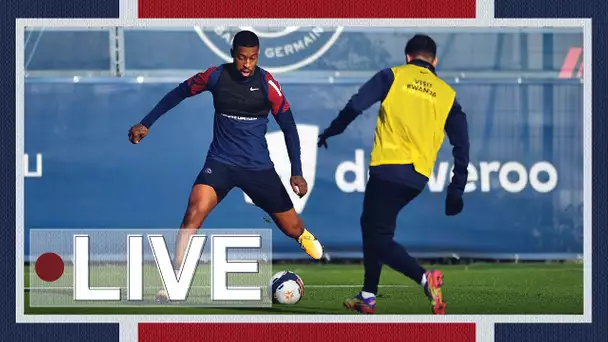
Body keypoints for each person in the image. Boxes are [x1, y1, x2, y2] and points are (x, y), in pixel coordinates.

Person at [128, 30, 324, 301]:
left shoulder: (268, 84)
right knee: (193, 211)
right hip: (220, 162)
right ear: (233, 55)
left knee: (291, 227)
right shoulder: (216, 76)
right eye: (242, 58)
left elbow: (289, 127)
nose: (247, 64)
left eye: (253, 58)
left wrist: (297, 172)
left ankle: (302, 235)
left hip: (258, 168)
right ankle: (175, 281)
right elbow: (179, 93)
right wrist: (146, 122)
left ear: (258, 57)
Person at [317, 34, 470, 315]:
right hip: (417, 177)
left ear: (407, 57)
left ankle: (425, 279)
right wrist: (456, 189)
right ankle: (368, 296)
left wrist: (331, 131)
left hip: (388, 168)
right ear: (434, 61)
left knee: (377, 236)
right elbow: (461, 144)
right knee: (374, 228)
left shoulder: (393, 76)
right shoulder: (447, 94)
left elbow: (355, 105)